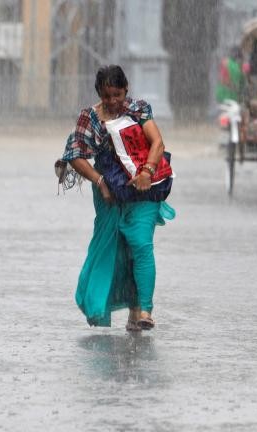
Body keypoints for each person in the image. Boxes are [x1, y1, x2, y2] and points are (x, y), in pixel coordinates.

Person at [59, 65, 175, 332]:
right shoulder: (89, 118)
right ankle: (104, 303)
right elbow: (74, 155)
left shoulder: (139, 110)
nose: (113, 102)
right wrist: (100, 182)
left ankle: (143, 309)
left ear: (127, 90)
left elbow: (157, 143)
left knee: (140, 245)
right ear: (99, 92)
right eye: (107, 95)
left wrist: (147, 171)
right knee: (112, 251)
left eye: (118, 95)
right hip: (109, 193)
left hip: (144, 189)